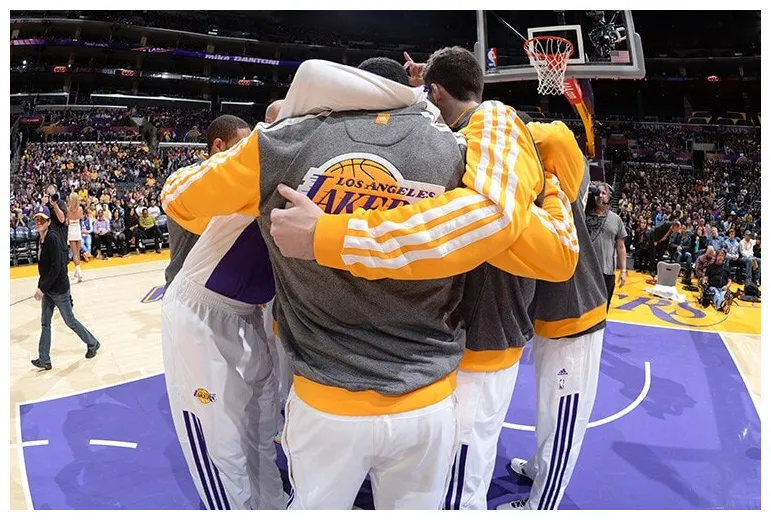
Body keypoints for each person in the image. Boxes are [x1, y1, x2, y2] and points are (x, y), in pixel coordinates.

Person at [162, 57, 574, 510]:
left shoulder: (281, 146)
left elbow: (180, 200)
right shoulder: (462, 156)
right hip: (427, 396)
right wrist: (551, 184)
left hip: (325, 395)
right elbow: (554, 256)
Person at [161, 115, 284, 510]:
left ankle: (273, 505)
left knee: (259, 427)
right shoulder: (250, 168)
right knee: (221, 439)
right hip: (201, 310)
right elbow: (175, 193)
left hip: (249, 312)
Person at [31, 206, 100, 371]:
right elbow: (44, 267)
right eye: (37, 219)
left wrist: (42, 289)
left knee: (70, 321)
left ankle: (92, 343)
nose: (39, 222)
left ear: (48, 221)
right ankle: (44, 359)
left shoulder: (53, 238)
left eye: (42, 219)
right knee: (45, 323)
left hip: (60, 289)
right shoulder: (39, 239)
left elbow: (56, 267)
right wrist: (41, 286)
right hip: (48, 288)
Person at [585, 181, 627, 310]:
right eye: (598, 193)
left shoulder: (616, 219)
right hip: (585, 270)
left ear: (609, 197)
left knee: (603, 308)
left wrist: (623, 271)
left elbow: (620, 247)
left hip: (606, 271)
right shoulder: (584, 215)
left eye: (604, 193)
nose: (600, 195)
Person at [702, 249, 733, 313]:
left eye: (722, 256)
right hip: (712, 286)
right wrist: (704, 281)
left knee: (722, 295)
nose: (721, 257)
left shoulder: (726, 267)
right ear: (716, 256)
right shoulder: (711, 266)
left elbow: (729, 281)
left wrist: (727, 286)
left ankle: (721, 305)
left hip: (723, 287)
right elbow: (706, 277)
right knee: (716, 294)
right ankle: (723, 305)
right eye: (719, 255)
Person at [66, 192, 84, 282]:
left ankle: (79, 272)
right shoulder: (80, 209)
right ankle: (77, 272)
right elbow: (81, 217)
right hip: (77, 228)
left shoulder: (68, 209)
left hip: (71, 229)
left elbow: (66, 222)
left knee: (75, 253)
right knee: (77, 252)